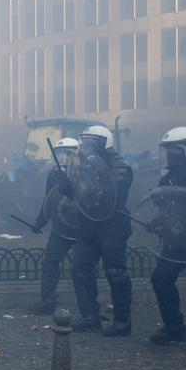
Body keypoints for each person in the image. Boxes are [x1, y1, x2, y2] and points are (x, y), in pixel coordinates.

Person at [63, 125, 134, 335]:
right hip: (89, 225)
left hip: (113, 225)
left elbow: (109, 195)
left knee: (116, 273)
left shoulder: (120, 166)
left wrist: (81, 187)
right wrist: (68, 189)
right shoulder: (83, 164)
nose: (87, 146)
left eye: (93, 142)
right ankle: (90, 317)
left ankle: (122, 322)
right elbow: (83, 193)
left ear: (105, 143)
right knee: (80, 269)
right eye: (86, 142)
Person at [146, 127, 186, 344]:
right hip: (177, 239)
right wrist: (156, 222)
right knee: (161, 278)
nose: (170, 155)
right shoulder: (169, 177)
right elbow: (167, 206)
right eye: (168, 151)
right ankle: (174, 327)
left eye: (174, 151)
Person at [28, 137, 79, 315]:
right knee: (50, 262)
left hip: (82, 227)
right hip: (61, 227)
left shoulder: (85, 173)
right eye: (60, 153)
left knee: (82, 267)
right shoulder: (54, 174)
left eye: (68, 154)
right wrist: (40, 221)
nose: (63, 158)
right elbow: (49, 200)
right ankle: (48, 301)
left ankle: (88, 308)